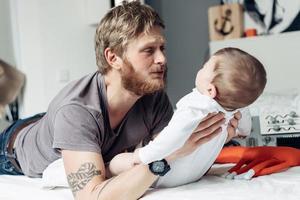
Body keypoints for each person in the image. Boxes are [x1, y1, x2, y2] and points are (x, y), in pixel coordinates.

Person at [0, 1, 241, 199]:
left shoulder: (153, 97)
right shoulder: (76, 112)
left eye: (162, 48)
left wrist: (214, 139)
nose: (162, 59)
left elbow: (173, 163)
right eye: (149, 50)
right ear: (113, 58)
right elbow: (93, 195)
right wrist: (167, 156)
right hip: (12, 149)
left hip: (58, 126)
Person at [108, 47, 267, 188]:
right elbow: (245, 128)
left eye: (205, 67)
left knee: (116, 162)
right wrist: (241, 132)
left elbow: (171, 138)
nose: (200, 68)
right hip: (194, 174)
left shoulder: (195, 107)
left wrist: (143, 155)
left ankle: (109, 171)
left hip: (164, 175)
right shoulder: (234, 108)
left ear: (210, 90)